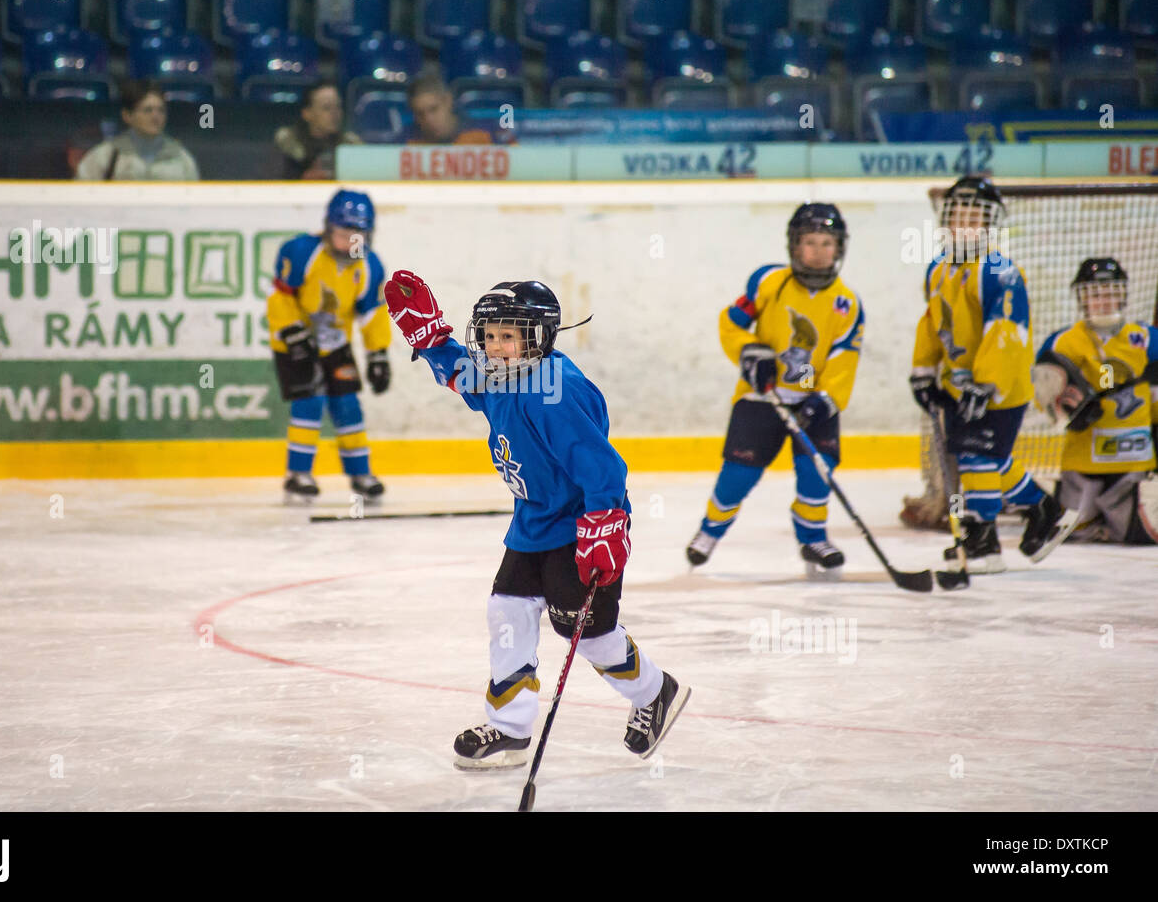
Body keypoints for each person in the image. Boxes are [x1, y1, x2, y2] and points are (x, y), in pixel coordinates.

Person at [383, 270, 689, 769]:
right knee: (507, 611)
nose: (497, 347)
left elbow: (603, 467)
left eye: (510, 336)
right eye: (490, 336)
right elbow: (465, 376)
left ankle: (656, 691)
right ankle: (509, 726)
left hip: (579, 527)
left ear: (539, 339)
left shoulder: (553, 392)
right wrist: (432, 339)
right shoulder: (501, 375)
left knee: (588, 636)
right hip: (534, 523)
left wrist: (606, 527)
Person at [685, 203, 865, 577]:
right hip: (761, 397)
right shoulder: (768, 282)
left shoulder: (847, 304)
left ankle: (813, 537)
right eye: (810, 242)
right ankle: (710, 530)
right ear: (794, 246)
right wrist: (749, 352)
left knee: (818, 470)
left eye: (826, 243)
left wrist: (825, 400)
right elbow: (731, 324)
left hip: (816, 403)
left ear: (840, 248)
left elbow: (845, 359)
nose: (818, 251)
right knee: (738, 475)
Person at [909, 176, 1076, 573]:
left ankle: (983, 542)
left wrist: (986, 383)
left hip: (999, 386)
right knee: (988, 456)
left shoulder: (998, 270)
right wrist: (923, 372)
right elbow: (933, 324)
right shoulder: (938, 269)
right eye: (958, 216)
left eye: (975, 218)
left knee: (978, 457)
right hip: (960, 385)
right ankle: (1043, 510)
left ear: (989, 225)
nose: (965, 225)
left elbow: (1005, 330)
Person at [267, 189, 390, 503]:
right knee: (308, 403)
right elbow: (280, 296)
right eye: (343, 233)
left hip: (336, 344)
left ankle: (361, 474)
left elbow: (372, 313)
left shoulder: (370, 266)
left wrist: (378, 353)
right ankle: (298, 474)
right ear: (327, 229)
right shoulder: (300, 251)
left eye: (358, 234)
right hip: (295, 343)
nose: (351, 242)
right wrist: (292, 331)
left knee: (348, 406)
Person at [1032, 258, 1158, 544]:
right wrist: (1063, 407)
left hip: (1133, 465)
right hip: (1082, 464)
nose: (1104, 301)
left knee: (1137, 537)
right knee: (1070, 535)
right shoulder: (1063, 342)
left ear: (1123, 295)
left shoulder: (1147, 339)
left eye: (1111, 293)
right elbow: (1044, 396)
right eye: (1095, 294)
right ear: (1082, 298)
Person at [75, 80, 199, 181]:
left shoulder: (180, 157)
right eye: (147, 110)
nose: (156, 117)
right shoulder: (106, 156)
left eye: (161, 110)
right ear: (127, 116)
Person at [273, 80, 361, 180]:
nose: (335, 114)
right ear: (307, 113)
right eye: (326, 108)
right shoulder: (289, 143)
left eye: (338, 107)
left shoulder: (350, 144)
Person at [404, 74, 493, 146]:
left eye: (433, 109)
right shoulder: (407, 143)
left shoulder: (482, 135)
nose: (428, 119)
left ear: (448, 100)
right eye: (420, 114)